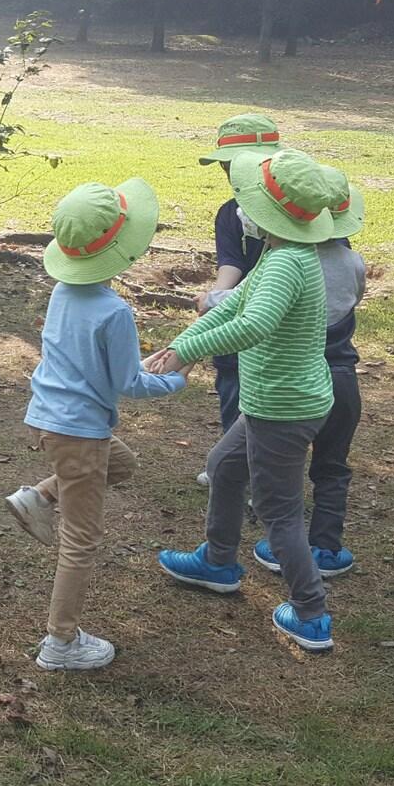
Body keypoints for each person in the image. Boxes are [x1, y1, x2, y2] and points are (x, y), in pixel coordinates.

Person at [150, 148, 342, 653]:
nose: (241, 212)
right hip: (271, 403)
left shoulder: (286, 265)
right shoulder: (279, 257)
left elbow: (253, 326)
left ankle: (311, 614)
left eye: (248, 205)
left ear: (267, 216)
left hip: (283, 408)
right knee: (224, 465)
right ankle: (218, 561)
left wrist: (187, 351)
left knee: (279, 513)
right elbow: (230, 306)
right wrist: (180, 344)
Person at [3, 179, 189, 672]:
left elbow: (103, 367)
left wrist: (143, 368)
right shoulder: (114, 311)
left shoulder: (65, 292)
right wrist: (175, 380)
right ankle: (61, 644)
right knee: (81, 540)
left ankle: (40, 496)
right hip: (79, 432)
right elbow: (128, 383)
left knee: (123, 464)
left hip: (49, 420)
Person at [254, 170, 365, 578]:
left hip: (300, 381)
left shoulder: (289, 263)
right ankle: (327, 547)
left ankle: (287, 544)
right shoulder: (354, 262)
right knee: (333, 466)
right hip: (344, 379)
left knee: (286, 466)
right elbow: (354, 300)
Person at [193, 114, 278, 486]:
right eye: (226, 166)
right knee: (230, 376)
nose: (228, 174)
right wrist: (214, 297)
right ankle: (231, 466)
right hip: (240, 306)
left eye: (236, 165)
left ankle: (261, 474)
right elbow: (232, 263)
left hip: (276, 316)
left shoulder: (293, 212)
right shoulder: (230, 212)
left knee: (269, 392)